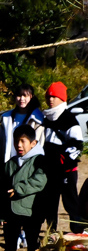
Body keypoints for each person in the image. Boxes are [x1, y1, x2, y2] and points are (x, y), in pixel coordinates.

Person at [0, 124, 48, 251]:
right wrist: (1, 214)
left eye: (22, 141)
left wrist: (18, 189)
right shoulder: (10, 163)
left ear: (33, 143)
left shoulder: (39, 161)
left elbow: (39, 181)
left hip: (31, 212)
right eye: (16, 141)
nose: (18, 145)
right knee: (9, 246)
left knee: (33, 246)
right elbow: (2, 190)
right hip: (11, 212)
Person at [40, 81, 83, 229]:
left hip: (66, 171)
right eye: (48, 96)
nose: (50, 100)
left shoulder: (69, 119)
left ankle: (77, 232)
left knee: (70, 202)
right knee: (50, 203)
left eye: (54, 96)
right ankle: (51, 233)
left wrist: (62, 160)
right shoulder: (45, 119)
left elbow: (78, 145)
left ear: (62, 99)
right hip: (50, 171)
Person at [0, 84, 44, 166]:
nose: (22, 99)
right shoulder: (7, 118)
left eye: (25, 96)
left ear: (31, 97)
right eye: (19, 95)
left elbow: (39, 145)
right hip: (9, 164)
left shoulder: (38, 120)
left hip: (28, 165)